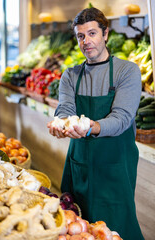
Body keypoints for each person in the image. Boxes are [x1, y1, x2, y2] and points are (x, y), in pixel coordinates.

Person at [47, 7, 144, 240]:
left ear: (105, 34)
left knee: (117, 227)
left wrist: (90, 127)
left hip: (115, 166)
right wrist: (60, 124)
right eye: (80, 36)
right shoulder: (70, 75)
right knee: (78, 226)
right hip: (79, 165)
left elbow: (121, 119)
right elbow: (66, 110)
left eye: (92, 33)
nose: (86, 41)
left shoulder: (127, 71)